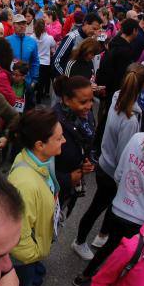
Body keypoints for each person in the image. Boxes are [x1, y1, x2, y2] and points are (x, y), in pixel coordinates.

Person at [75, 104, 144, 285]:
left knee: (109, 246)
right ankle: (105, 285)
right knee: (126, 259)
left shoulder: (135, 139)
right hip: (139, 223)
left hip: (117, 209)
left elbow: (118, 174)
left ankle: (85, 274)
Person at [72, 62, 144, 260]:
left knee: (108, 205)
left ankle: (101, 235)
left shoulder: (116, 97)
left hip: (105, 162)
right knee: (99, 205)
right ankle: (79, 240)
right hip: (112, 171)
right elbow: (124, 152)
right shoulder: (130, 119)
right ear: (143, 85)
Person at [8, 108, 66, 286]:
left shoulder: (40, 158)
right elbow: (18, 241)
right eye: (58, 138)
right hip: (23, 260)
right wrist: (36, 254)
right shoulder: (24, 185)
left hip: (34, 247)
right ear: (40, 144)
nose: (63, 141)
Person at [52, 76, 95, 214]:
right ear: (66, 100)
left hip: (71, 191)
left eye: (91, 100)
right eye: (83, 102)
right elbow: (39, 164)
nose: (89, 106)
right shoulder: (52, 123)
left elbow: (84, 145)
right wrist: (67, 179)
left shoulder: (86, 116)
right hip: (53, 193)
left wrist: (85, 163)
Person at [6, 14, 40, 106]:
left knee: (27, 110)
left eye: (24, 23)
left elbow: (35, 62)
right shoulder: (7, 41)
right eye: (19, 23)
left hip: (27, 82)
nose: (22, 26)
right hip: (11, 82)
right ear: (13, 25)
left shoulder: (32, 41)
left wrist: (34, 80)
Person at [53, 12, 101, 76]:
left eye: (97, 30)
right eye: (94, 29)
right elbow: (56, 61)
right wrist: (66, 79)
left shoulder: (91, 38)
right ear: (86, 23)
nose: (95, 32)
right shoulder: (72, 37)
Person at [32, 19, 56, 105]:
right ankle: (39, 98)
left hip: (35, 62)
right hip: (45, 63)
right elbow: (54, 46)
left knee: (35, 79)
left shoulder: (32, 37)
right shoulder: (49, 38)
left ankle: (31, 95)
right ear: (44, 27)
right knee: (42, 81)